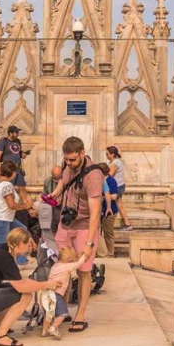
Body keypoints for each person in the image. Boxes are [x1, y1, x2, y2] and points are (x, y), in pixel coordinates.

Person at [55, 137, 105, 333]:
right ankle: (62, 310)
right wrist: (51, 197)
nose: (69, 163)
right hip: (66, 226)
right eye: (66, 159)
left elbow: (95, 215)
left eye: (73, 160)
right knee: (62, 269)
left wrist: (90, 243)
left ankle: (81, 314)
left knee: (83, 271)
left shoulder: (94, 176)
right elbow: (62, 184)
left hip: (85, 227)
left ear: (83, 153)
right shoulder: (68, 167)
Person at [0, 161, 29, 246]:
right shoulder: (7, 186)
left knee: (22, 231)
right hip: (1, 219)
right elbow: (12, 205)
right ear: (13, 173)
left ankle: (20, 257)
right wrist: (26, 206)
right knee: (1, 247)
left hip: (0, 217)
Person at [104, 145, 133, 231]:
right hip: (118, 186)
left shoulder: (116, 163)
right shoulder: (114, 162)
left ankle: (127, 224)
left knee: (117, 206)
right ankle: (127, 224)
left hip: (118, 187)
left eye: (107, 154)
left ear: (112, 154)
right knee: (119, 206)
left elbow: (110, 174)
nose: (106, 155)